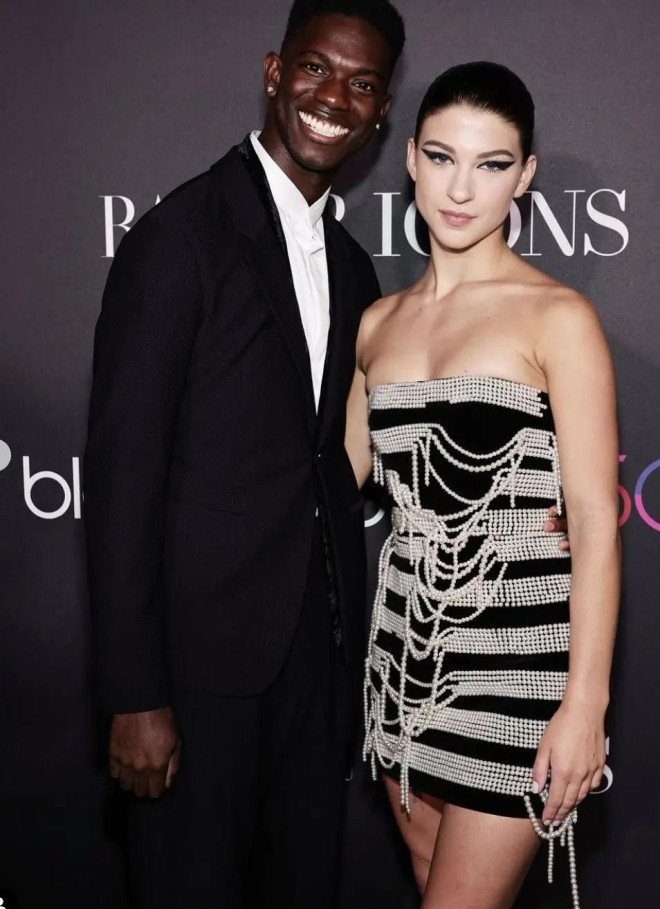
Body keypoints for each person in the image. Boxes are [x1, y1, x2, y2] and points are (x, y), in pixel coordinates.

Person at [83, 2, 404, 907]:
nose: (333, 97)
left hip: (314, 675)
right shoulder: (179, 239)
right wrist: (135, 694)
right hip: (194, 683)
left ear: (382, 112)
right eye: (315, 67)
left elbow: (335, 460)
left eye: (362, 83)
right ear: (274, 71)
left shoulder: (353, 266)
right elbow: (122, 477)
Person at [346, 62, 619, 909]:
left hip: (518, 677)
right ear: (410, 160)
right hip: (401, 665)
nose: (461, 189)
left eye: (491, 164)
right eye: (441, 157)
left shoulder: (557, 317)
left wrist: (585, 703)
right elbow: (328, 478)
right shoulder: (378, 324)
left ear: (524, 175)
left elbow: (595, 522)